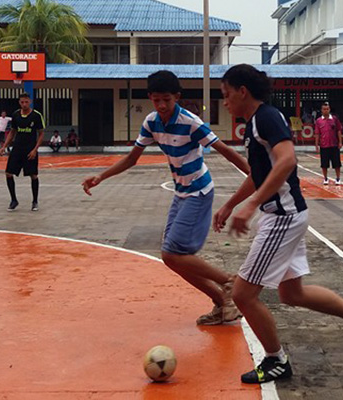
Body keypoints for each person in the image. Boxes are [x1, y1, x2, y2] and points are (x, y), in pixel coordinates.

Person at [214, 64, 343, 385]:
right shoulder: (254, 124)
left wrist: (251, 204)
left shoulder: (266, 117)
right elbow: (258, 175)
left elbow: (288, 161)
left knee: (243, 294)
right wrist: (230, 204)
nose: (224, 102)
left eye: (225, 95)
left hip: (283, 217)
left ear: (242, 92)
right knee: (292, 294)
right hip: (283, 215)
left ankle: (276, 360)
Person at [82, 70, 252, 326]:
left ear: (177, 98)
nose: (161, 105)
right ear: (150, 97)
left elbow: (225, 150)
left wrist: (255, 174)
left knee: (173, 253)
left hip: (199, 190)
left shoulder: (191, 122)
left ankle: (229, 281)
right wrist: (101, 177)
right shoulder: (152, 122)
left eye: (167, 100)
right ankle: (222, 302)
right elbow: (132, 158)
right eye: (157, 100)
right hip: (181, 192)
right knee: (171, 259)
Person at [0, 94, 45, 212]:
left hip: (30, 149)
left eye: (26, 102)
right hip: (17, 149)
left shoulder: (36, 115)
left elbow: (41, 134)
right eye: (22, 102)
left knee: (33, 175)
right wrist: (4, 146)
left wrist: (35, 149)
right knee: (9, 173)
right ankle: (14, 200)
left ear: (29, 102)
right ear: (19, 103)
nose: (24, 104)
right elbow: (12, 132)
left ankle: (35, 201)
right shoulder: (15, 115)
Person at [314, 102, 343, 186]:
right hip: (324, 145)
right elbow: (317, 133)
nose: (326, 111)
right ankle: (325, 178)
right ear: (321, 110)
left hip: (334, 145)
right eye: (324, 109)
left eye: (327, 109)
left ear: (329, 110)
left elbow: (338, 131)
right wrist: (316, 145)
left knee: (337, 164)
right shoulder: (319, 121)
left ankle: (338, 178)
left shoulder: (334, 119)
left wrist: (340, 142)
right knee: (324, 164)